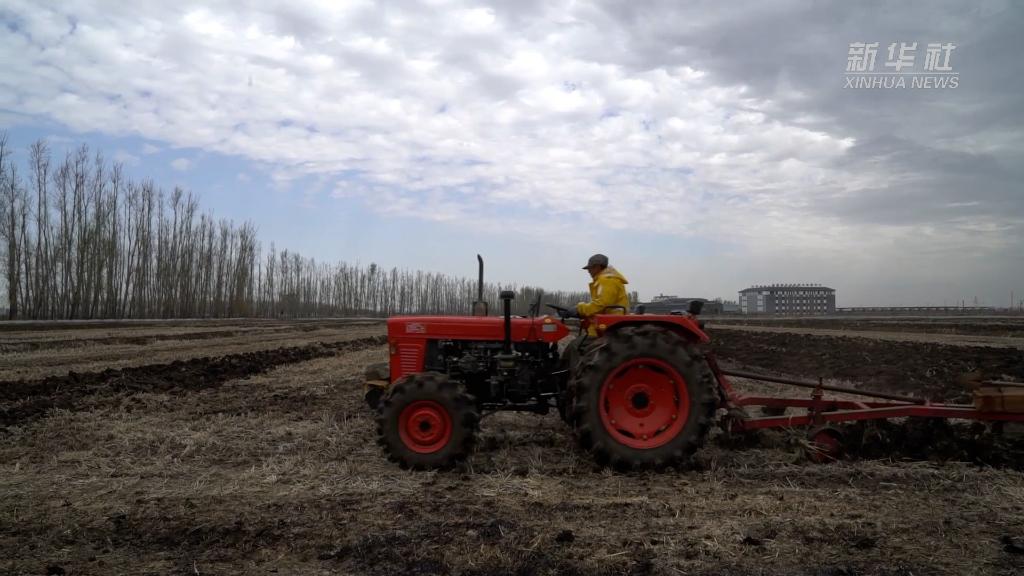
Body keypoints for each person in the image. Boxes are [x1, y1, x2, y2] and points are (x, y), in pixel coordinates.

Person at [575, 253, 629, 336]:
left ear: (598, 267)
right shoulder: (605, 280)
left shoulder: (608, 280)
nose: (588, 271)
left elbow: (602, 304)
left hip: (611, 324)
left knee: (588, 340)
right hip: (610, 321)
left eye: (590, 268)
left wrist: (580, 308)